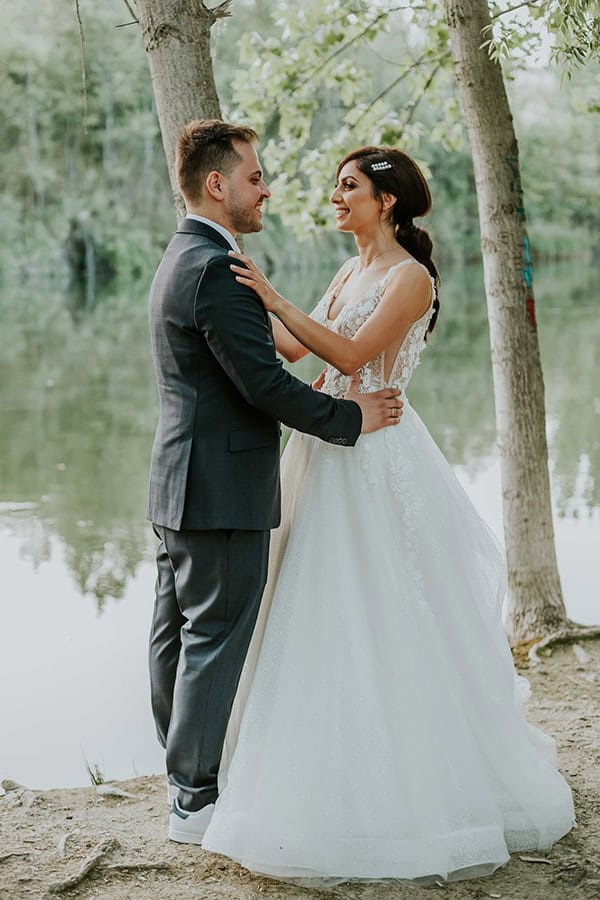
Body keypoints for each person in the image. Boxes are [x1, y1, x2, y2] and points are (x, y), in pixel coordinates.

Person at [201, 146, 575, 883]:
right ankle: (320, 771)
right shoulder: (351, 270)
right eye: (336, 187)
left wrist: (277, 300)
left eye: (349, 187)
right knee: (318, 611)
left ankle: (417, 784)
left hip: (379, 454)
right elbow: (300, 341)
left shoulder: (411, 277)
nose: (335, 197)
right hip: (330, 446)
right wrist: (243, 302)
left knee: (390, 608)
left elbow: (351, 352)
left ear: (388, 200)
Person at [147, 121, 403, 845]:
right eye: (256, 177)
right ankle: (195, 799)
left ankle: (183, 781)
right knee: (211, 637)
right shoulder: (215, 268)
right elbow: (264, 385)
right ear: (218, 185)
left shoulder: (184, 255)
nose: (268, 188)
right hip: (220, 485)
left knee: (177, 635)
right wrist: (348, 417)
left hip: (180, 481)